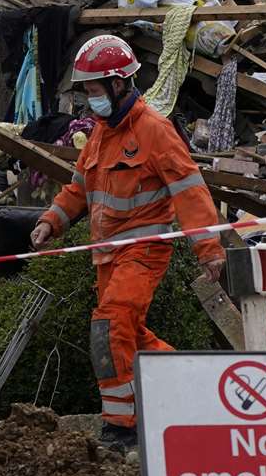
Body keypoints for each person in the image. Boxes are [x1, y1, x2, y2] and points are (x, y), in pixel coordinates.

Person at [30, 34, 226, 449]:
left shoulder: (155, 131)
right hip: (106, 257)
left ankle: (122, 427)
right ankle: (199, 385)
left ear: (120, 84)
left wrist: (208, 248)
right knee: (130, 336)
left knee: (109, 327)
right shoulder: (100, 134)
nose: (89, 99)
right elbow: (79, 189)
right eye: (86, 91)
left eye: (95, 90)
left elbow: (190, 189)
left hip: (143, 251)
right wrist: (51, 222)